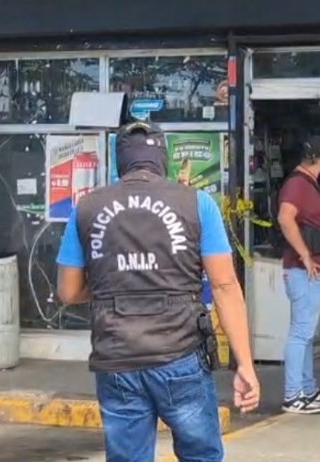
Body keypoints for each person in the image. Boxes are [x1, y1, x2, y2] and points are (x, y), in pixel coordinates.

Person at [55, 121, 260, 462]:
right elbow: (224, 285)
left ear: (120, 161)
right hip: (180, 354)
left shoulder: (87, 208)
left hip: (117, 356)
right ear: (163, 158)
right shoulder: (197, 204)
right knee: (201, 456)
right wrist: (245, 365)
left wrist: (119, 284)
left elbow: (68, 290)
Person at [277, 135, 320, 414]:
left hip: (314, 271)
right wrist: (305, 254)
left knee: (306, 334)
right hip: (305, 271)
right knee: (300, 333)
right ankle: (293, 394)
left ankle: (307, 389)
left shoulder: (308, 183)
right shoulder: (297, 184)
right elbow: (285, 217)